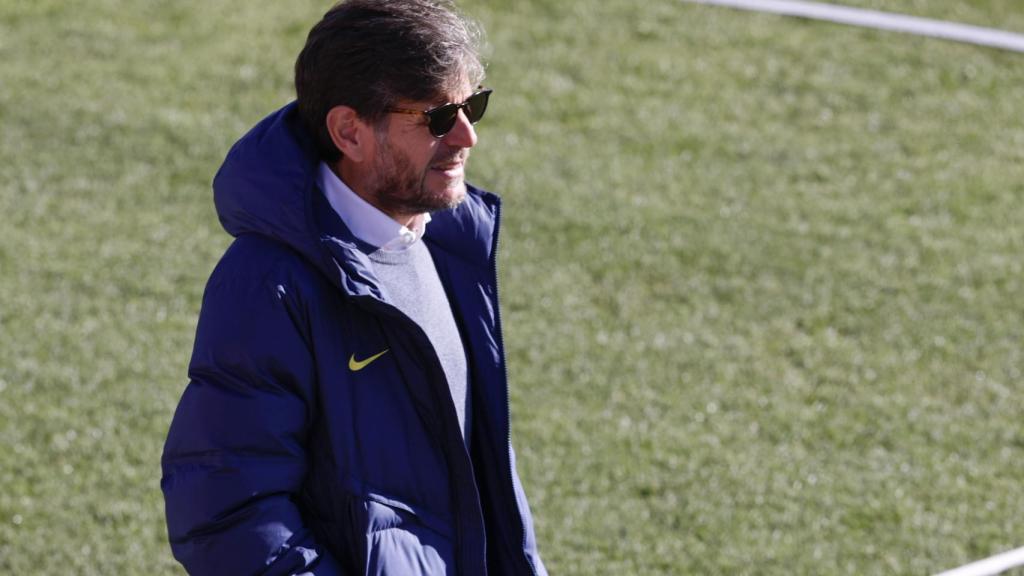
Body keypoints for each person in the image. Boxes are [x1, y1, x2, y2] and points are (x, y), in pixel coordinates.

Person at [160, 1, 548, 574]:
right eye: (439, 117)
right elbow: (226, 513)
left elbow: (482, 472)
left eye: (473, 106)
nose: (467, 135)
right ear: (350, 131)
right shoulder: (270, 285)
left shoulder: (447, 240)